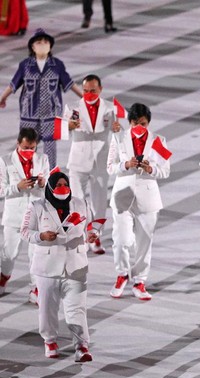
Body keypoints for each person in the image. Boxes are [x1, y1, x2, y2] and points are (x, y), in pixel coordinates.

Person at [20, 171, 96, 362]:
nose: (63, 187)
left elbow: (89, 226)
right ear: (51, 187)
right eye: (59, 184)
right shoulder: (37, 206)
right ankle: (50, 341)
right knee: (48, 308)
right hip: (47, 268)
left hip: (76, 266)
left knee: (77, 308)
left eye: (65, 183)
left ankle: (82, 346)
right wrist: (40, 236)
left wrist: (92, 234)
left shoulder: (80, 203)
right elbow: (25, 232)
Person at [107, 103, 171, 301]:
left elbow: (165, 171)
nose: (139, 126)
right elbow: (110, 167)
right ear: (130, 122)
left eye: (143, 123)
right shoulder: (119, 138)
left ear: (149, 122)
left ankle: (140, 281)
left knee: (144, 241)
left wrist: (151, 169)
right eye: (135, 123)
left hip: (148, 197)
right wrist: (125, 164)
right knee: (121, 240)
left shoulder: (159, 141)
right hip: (122, 195)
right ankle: (122, 274)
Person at [0, 28, 83, 169]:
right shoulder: (25, 65)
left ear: (50, 46)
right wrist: (2, 98)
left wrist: (84, 97)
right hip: (29, 115)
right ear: (32, 47)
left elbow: (69, 83)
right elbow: (13, 84)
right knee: (27, 147)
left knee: (50, 148)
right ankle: (26, 173)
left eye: (46, 42)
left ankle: (50, 177)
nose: (43, 44)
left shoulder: (57, 65)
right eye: (39, 42)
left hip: (51, 115)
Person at [66, 74, 118, 254]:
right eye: (85, 91)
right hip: (78, 161)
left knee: (99, 202)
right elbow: (60, 131)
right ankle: (83, 234)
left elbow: (118, 133)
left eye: (92, 91)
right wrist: (69, 127)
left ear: (100, 90)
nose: (88, 94)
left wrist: (118, 130)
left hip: (100, 161)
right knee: (78, 201)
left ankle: (95, 236)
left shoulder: (111, 108)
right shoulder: (73, 108)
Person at [0, 128, 49, 303]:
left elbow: (48, 186)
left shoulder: (43, 159)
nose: (29, 151)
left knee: (34, 254)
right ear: (18, 144)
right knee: (9, 253)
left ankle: (35, 288)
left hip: (34, 215)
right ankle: (4, 276)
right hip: (14, 216)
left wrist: (43, 184)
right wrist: (17, 187)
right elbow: (0, 190)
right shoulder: (5, 161)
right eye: (26, 147)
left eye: (32, 148)